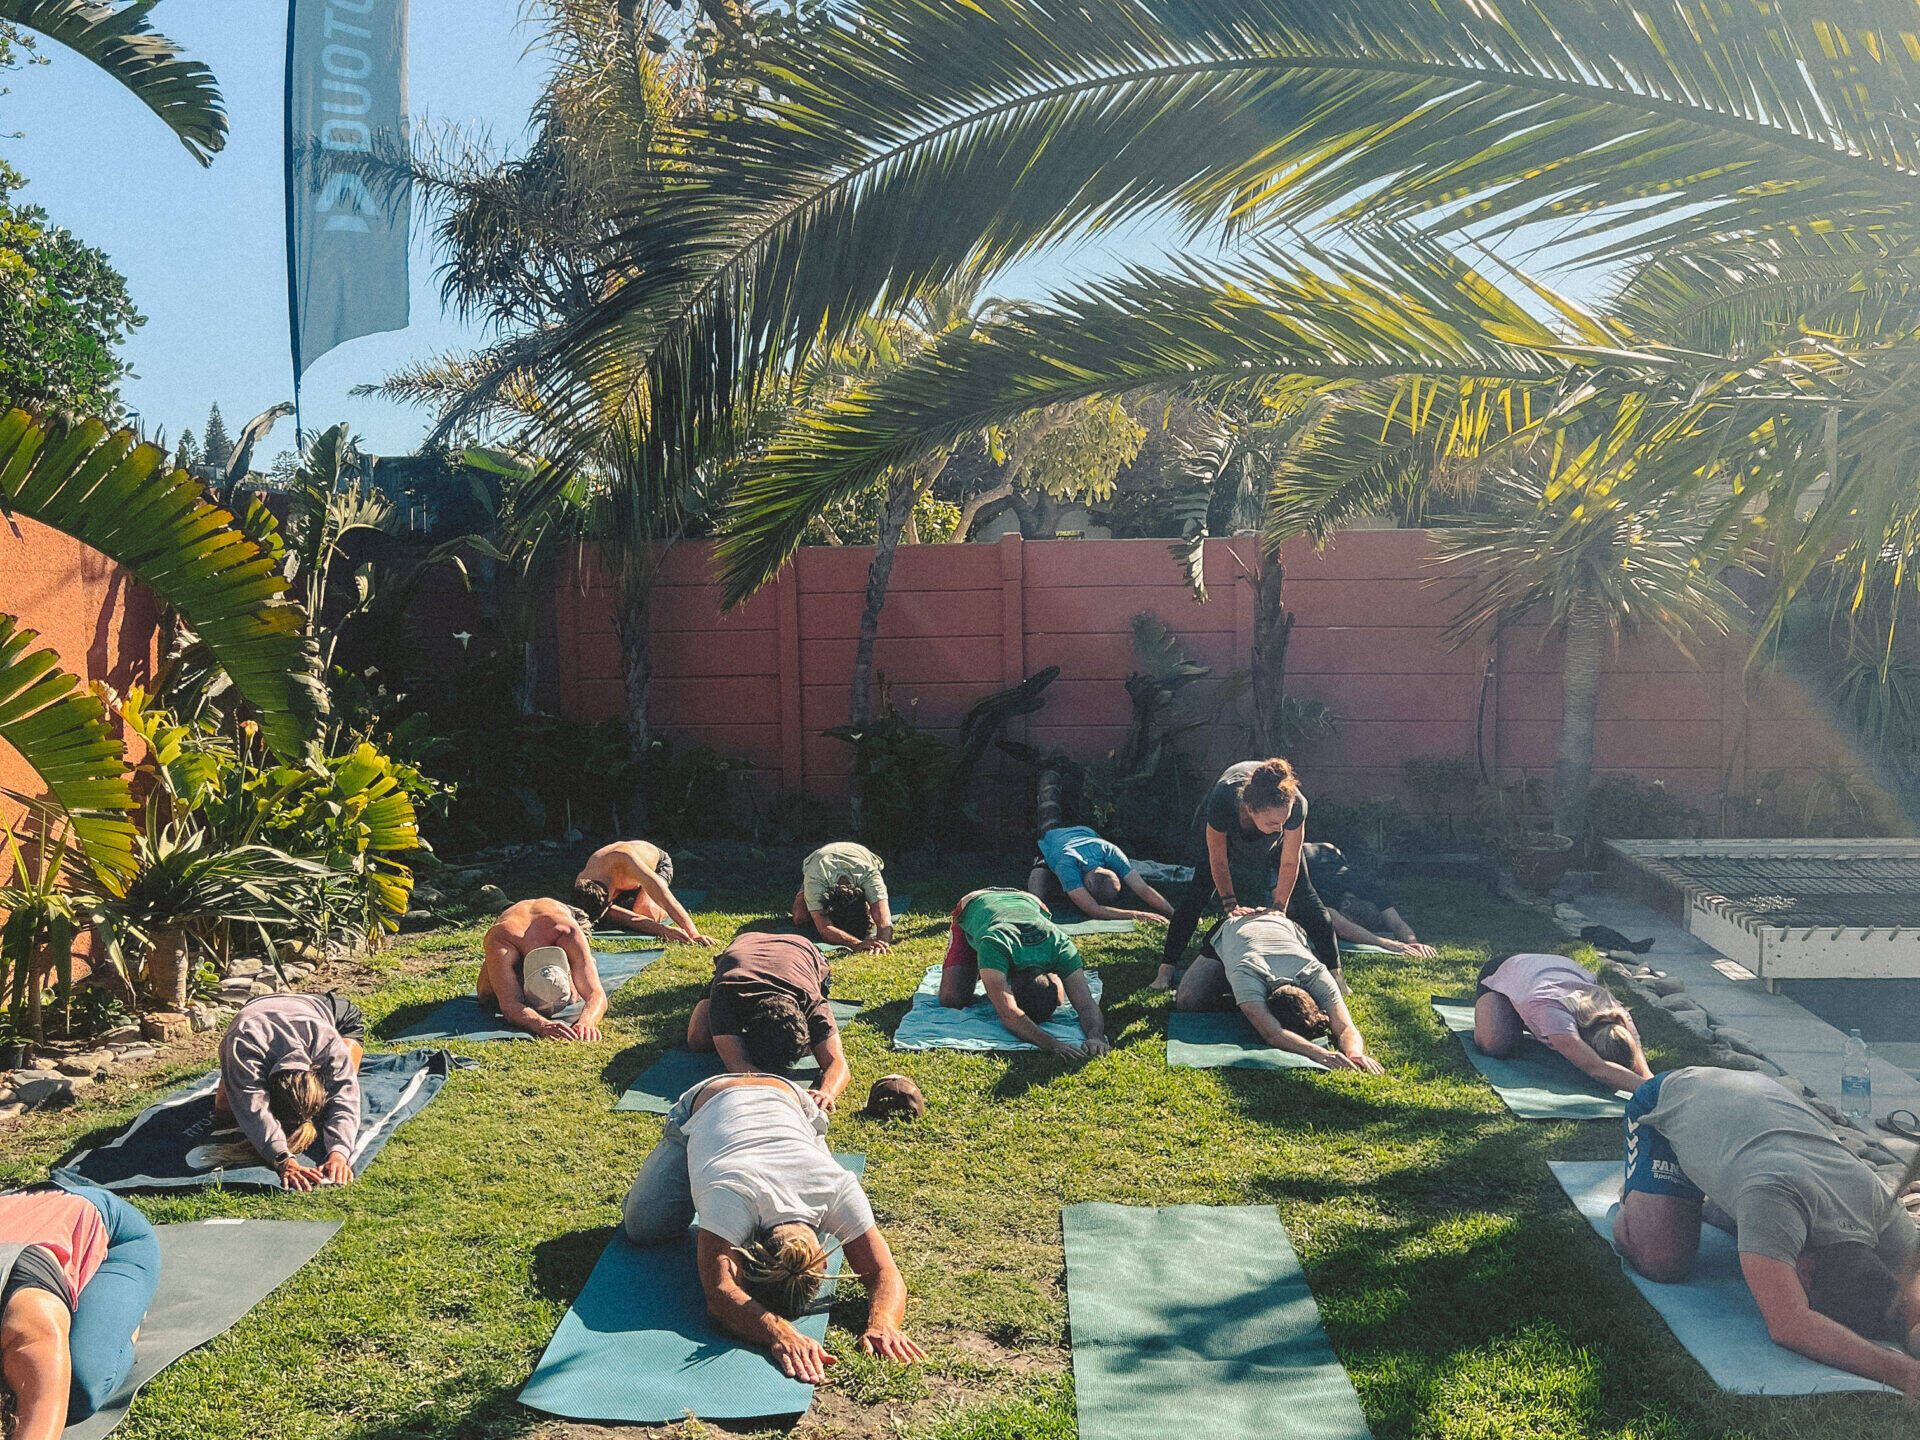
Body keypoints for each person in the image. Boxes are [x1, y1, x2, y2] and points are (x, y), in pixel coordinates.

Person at [1612, 1066, 1920, 1392]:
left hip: (1756, 1107)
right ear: (1807, 1276)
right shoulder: (1773, 1200)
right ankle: (1636, 1198)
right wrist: (1905, 1373)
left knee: (1756, 1224)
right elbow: (1790, 1324)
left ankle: (1706, 1192)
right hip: (1672, 1097)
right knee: (1661, 1260)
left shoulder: (1884, 1213)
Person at [621, 1073, 927, 1380]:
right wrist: (778, 1333)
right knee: (644, 1226)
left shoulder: (837, 1189)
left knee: (663, 1217)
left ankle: (783, 1139)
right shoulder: (731, 1195)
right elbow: (720, 1293)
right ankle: (693, 1146)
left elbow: (884, 1274)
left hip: (792, 1100)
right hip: (708, 1099)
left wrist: (884, 1324)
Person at [1159, 758, 1341, 992]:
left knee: (1306, 895)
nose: (1281, 829)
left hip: (1271, 838)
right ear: (1250, 809)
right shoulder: (1223, 800)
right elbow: (1218, 860)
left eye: (1284, 822)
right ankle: (1165, 969)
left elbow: (1289, 861)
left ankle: (1337, 973)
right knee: (1198, 893)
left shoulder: (1295, 805)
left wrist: (1279, 908)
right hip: (1226, 833)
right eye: (1275, 822)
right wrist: (1230, 904)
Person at [0, 1182, 161, 1440]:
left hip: (112, 1230)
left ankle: (127, 1321)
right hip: (14, 1210)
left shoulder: (29, 1326)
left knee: (80, 1387)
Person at [1174, 911, 1385, 1072]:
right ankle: (1241, 992)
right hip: (1231, 925)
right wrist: (1320, 1053)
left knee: (1189, 1002)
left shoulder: (1313, 974)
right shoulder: (1312, 973)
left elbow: (1346, 1028)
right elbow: (1273, 1034)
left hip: (1268, 934)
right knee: (1186, 1001)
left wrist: (1355, 1053)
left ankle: (1246, 1000)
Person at [203, 993, 366, 1190]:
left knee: (342, 1082)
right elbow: (253, 1110)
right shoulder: (242, 1044)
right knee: (225, 1110)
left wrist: (339, 1154)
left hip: (335, 1017)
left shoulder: (326, 1041)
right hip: (258, 1010)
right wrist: (283, 1160)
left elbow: (345, 1096)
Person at [687, 933, 851, 1113]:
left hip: (802, 948)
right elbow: (737, 1064)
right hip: (745, 950)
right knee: (699, 1038)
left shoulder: (811, 1001)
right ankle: (717, 977)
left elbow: (837, 1062)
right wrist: (786, 1092)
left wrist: (827, 1093)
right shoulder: (728, 992)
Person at [938, 889, 1109, 1059]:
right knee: (951, 999)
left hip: (1031, 902)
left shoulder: (1061, 946)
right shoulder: (995, 944)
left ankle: (994, 969)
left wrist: (1096, 1037)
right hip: (977, 901)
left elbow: (1087, 1004)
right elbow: (1009, 1014)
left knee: (987, 980)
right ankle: (984, 962)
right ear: (1010, 988)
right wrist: (1053, 1045)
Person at [1473, 953, 1651, 1094]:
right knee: (1495, 1044)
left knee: (1542, 1022)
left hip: (1552, 969)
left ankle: (1525, 1011)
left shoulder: (1618, 1016)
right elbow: (1595, 1067)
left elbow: (1644, 1072)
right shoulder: (1554, 1012)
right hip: (1503, 969)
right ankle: (1508, 1005)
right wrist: (1649, 1092)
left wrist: (1660, 1088)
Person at [478, 897, 609, 1042]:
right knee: (486, 995)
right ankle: (578, 969)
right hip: (515, 924)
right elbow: (509, 1006)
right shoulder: (501, 939)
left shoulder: (568, 932)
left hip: (566, 913)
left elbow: (596, 994)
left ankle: (584, 963)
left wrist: (587, 1021)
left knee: (575, 990)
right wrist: (542, 1026)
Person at [1025, 823, 1173, 928]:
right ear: (1087, 885)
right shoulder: (1066, 865)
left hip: (1086, 832)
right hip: (1050, 840)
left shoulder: (1112, 851)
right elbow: (1093, 910)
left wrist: (1172, 912)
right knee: (1038, 894)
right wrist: (1139, 915)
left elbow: (1143, 889)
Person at [1302, 842, 1436, 957]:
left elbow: (1397, 924)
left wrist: (1413, 944)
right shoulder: (1326, 896)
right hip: (1309, 857)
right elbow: (1342, 928)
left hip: (1329, 853)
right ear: (1346, 904)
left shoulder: (1373, 892)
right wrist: (1386, 943)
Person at [572, 839, 714, 945]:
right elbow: (623, 917)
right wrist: (663, 931)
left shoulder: (627, 862)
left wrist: (693, 933)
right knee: (610, 916)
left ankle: (640, 898)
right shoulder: (583, 881)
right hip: (624, 883)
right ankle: (629, 901)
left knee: (645, 911)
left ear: (610, 898)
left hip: (657, 865)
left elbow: (667, 899)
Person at [792, 841, 894, 953]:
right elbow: (824, 928)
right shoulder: (816, 880)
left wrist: (882, 943)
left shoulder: (869, 876)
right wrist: (856, 943)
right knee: (800, 917)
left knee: (876, 911)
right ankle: (805, 892)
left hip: (859, 855)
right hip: (819, 861)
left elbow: (884, 920)